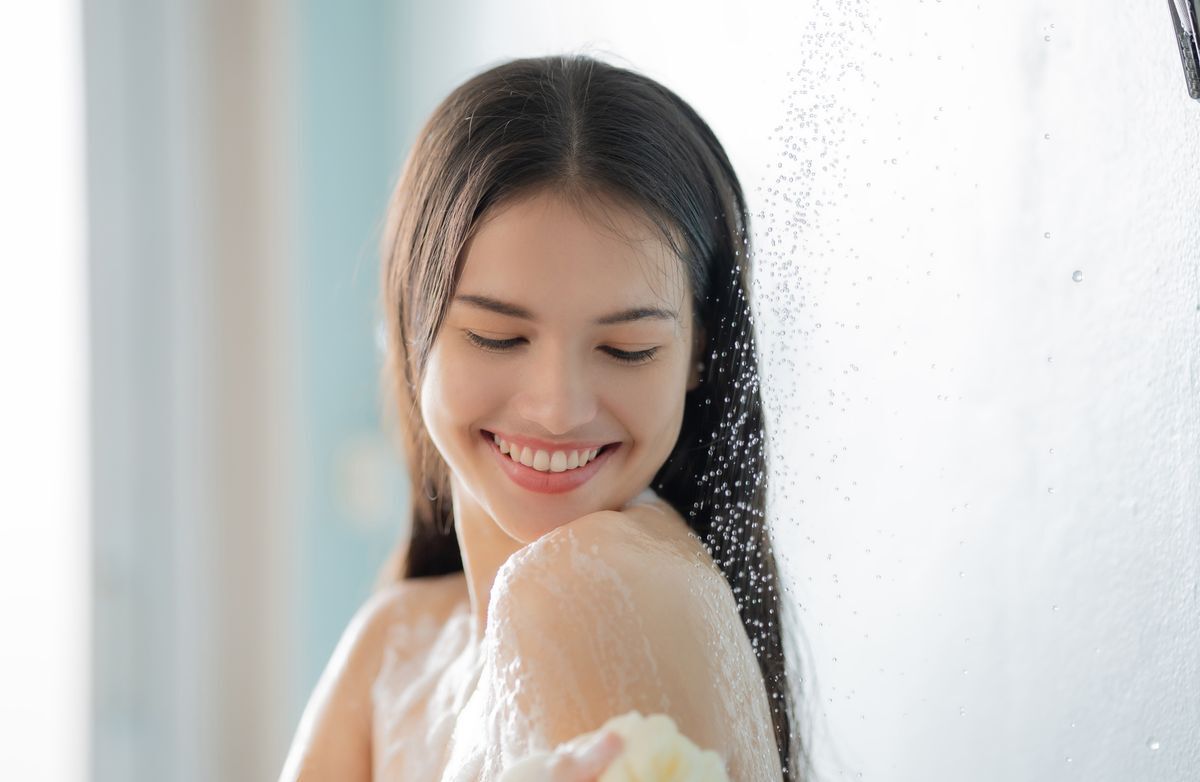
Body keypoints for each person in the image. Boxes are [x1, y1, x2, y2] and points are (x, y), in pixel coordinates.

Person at [280, 53, 809, 781]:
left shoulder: (588, 587)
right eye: (498, 337)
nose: (558, 409)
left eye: (627, 348)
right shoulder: (393, 645)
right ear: (414, 325)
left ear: (698, 355)